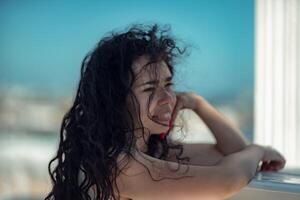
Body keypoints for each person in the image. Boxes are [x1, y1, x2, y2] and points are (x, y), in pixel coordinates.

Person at [44, 23, 286, 200]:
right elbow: (228, 180)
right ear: (115, 100)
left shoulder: (150, 152)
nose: (168, 98)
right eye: (150, 88)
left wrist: (197, 103)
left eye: (168, 84)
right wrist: (259, 149)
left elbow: (233, 153)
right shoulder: (121, 166)